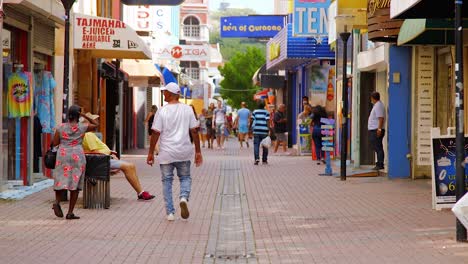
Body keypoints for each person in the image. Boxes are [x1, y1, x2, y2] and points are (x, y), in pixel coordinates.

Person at [147, 82, 203, 221]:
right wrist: (198, 152)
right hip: (184, 151)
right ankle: (183, 197)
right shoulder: (187, 110)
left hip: (166, 153)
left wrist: (150, 153)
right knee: (185, 178)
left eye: (165, 92)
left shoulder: (162, 110)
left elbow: (155, 133)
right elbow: (194, 132)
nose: (163, 94)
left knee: (167, 181)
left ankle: (170, 213)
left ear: (171, 94)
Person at [81, 123, 155, 200]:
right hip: (102, 161)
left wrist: (110, 153)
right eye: (94, 121)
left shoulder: (90, 134)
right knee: (128, 166)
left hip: (104, 159)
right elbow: (95, 152)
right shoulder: (88, 135)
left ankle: (140, 192)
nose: (96, 123)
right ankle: (141, 193)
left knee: (131, 166)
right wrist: (110, 156)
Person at [51, 105, 98, 220]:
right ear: (78, 115)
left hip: (63, 155)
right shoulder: (82, 127)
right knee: (75, 183)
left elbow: (55, 143)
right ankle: (70, 212)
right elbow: (96, 125)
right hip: (77, 155)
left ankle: (57, 202)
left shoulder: (61, 127)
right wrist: (84, 115)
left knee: (61, 180)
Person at [368, 92, 386, 170]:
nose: (370, 99)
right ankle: (379, 162)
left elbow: (381, 118)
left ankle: (380, 164)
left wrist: (379, 129)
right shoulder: (377, 105)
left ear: (373, 98)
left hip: (376, 130)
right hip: (374, 129)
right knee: (375, 146)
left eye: (371, 98)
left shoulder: (378, 106)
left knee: (378, 147)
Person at [252, 101, 270, 165]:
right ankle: (264, 160)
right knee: (265, 145)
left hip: (256, 130)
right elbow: (267, 121)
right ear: (264, 106)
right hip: (264, 131)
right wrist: (269, 129)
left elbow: (252, 120)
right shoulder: (266, 112)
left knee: (256, 145)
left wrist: (250, 129)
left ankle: (256, 159)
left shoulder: (255, 112)